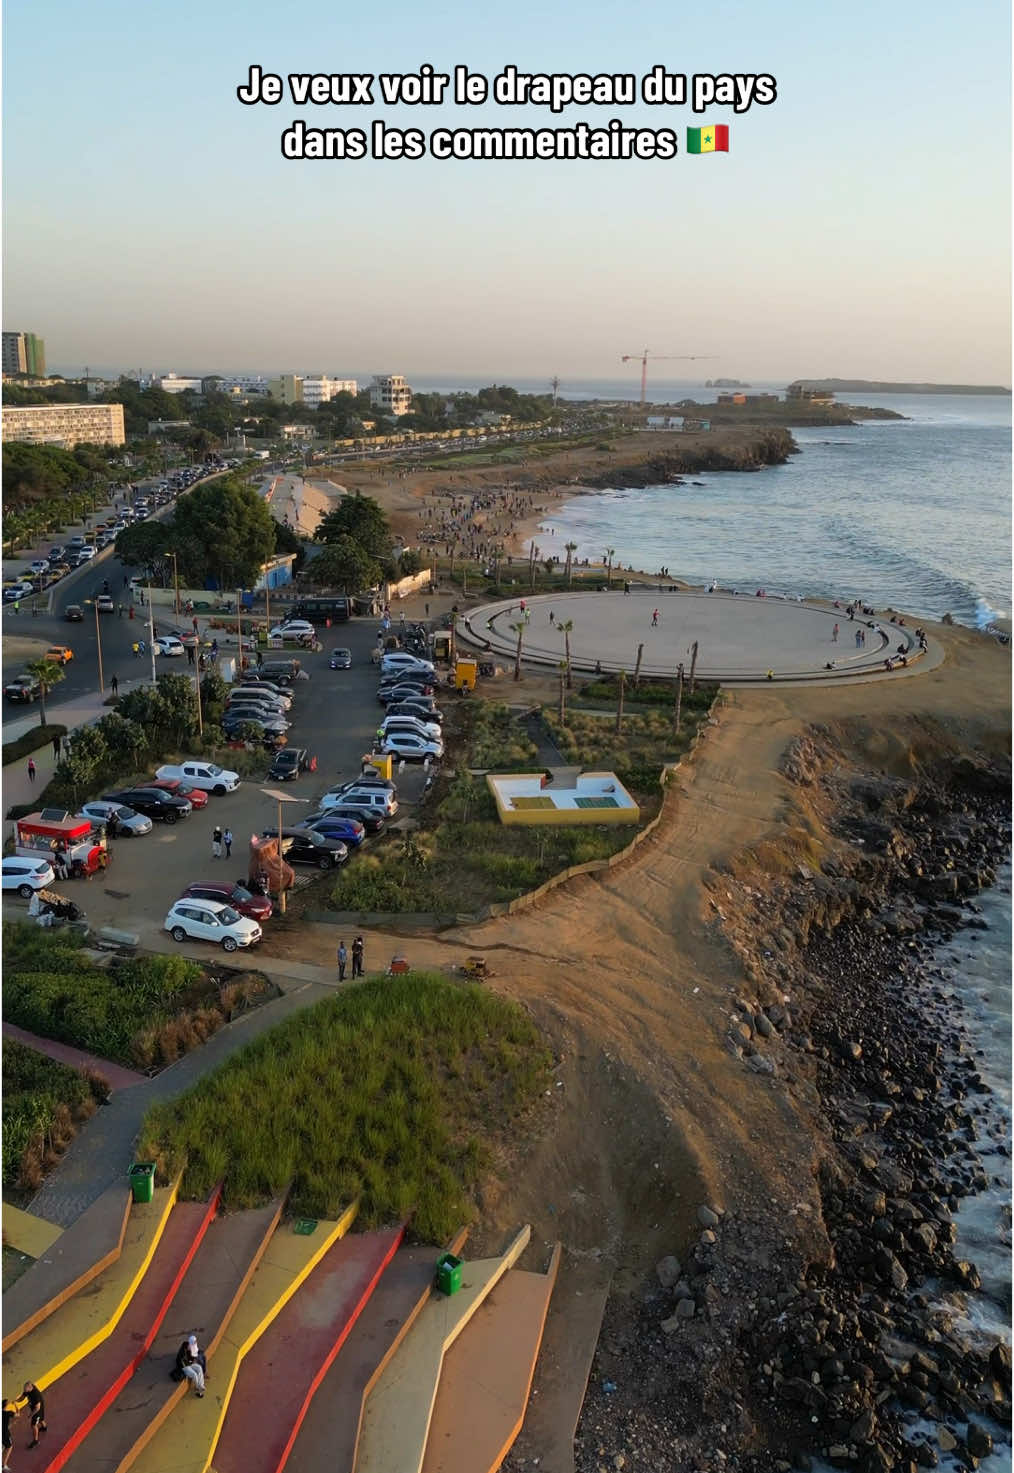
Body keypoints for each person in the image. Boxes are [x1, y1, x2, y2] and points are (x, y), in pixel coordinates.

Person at [21, 1384, 45, 1450]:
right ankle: (44, 1427)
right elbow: (22, 1397)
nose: (24, 1391)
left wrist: (30, 1415)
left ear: (30, 1388)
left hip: (37, 1411)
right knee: (41, 1419)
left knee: (33, 1425)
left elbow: (37, 1408)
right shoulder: (28, 1389)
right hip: (36, 1408)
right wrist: (16, 1401)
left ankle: (35, 1441)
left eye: (25, 1390)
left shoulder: (35, 1395)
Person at [3, 1399, 17, 1469]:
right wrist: (15, 1405)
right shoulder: (9, 1413)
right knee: (9, 1447)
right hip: (5, 1433)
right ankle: (3, 1465)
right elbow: (18, 1414)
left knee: (4, 1445)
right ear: (6, 1406)